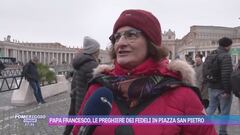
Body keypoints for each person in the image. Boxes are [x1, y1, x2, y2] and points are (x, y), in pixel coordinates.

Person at [72, 9, 216, 135]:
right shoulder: (98, 88)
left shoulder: (184, 95)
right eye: (117, 37)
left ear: (151, 42)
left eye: (131, 35)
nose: (121, 42)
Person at [63, 36, 100, 135]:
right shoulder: (91, 65)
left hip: (76, 94)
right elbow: (97, 84)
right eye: (98, 49)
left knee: (72, 119)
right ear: (94, 50)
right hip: (84, 100)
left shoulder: (80, 62)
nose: (99, 51)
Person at [206, 37, 233, 135]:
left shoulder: (211, 54)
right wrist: (227, 90)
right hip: (222, 88)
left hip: (211, 86)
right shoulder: (226, 56)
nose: (231, 47)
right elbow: (226, 75)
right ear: (227, 46)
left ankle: (201, 127)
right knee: (224, 112)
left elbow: (205, 70)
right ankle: (222, 132)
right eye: (230, 45)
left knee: (210, 108)